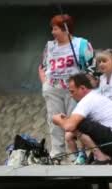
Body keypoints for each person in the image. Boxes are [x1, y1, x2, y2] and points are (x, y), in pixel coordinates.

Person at [39, 14, 95, 159]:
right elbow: (43, 66)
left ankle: (75, 154)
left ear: (65, 29)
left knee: (74, 121)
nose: (53, 32)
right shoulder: (50, 46)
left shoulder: (81, 44)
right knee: (55, 120)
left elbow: (91, 67)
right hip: (53, 87)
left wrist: (85, 87)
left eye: (56, 29)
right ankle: (57, 153)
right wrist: (45, 84)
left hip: (74, 89)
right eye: (52, 29)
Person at [52, 73, 112, 165]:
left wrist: (57, 119)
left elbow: (69, 126)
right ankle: (102, 158)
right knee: (82, 125)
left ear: (82, 88)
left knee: (80, 124)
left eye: (72, 91)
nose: (71, 95)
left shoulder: (87, 101)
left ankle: (102, 158)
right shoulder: (98, 96)